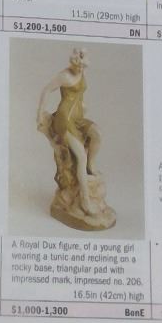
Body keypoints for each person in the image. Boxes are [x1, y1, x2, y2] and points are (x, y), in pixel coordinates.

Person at [37, 48, 100, 208]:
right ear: (72, 63)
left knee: (97, 134)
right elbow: (46, 90)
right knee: (81, 156)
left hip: (78, 117)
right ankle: (85, 200)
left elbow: (79, 93)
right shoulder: (64, 76)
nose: (81, 69)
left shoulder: (82, 72)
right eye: (78, 66)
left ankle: (90, 166)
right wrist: (40, 113)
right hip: (65, 120)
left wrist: (83, 105)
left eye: (83, 66)